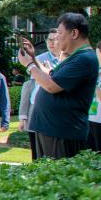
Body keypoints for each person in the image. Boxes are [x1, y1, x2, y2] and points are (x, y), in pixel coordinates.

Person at [16, 12, 98, 160]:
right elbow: (51, 75)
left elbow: (51, 86)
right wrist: (33, 58)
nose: (57, 38)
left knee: (58, 171)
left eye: (60, 33)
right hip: (51, 129)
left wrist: (29, 65)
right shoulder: (75, 58)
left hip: (62, 131)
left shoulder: (84, 58)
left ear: (74, 33)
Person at [18, 30, 60, 160]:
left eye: (54, 39)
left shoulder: (67, 59)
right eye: (49, 40)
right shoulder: (40, 59)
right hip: (39, 106)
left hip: (58, 109)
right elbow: (30, 86)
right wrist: (23, 116)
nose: (51, 43)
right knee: (38, 150)